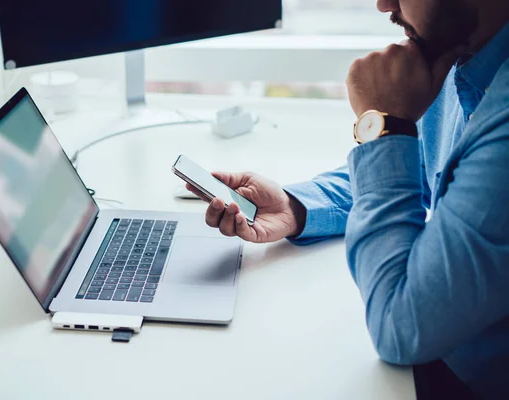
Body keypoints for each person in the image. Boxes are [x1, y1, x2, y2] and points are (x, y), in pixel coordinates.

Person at [187, 1, 509, 398]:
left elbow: (400, 328)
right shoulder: (463, 55)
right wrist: (297, 206)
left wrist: (383, 124)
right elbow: (413, 167)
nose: (383, 4)